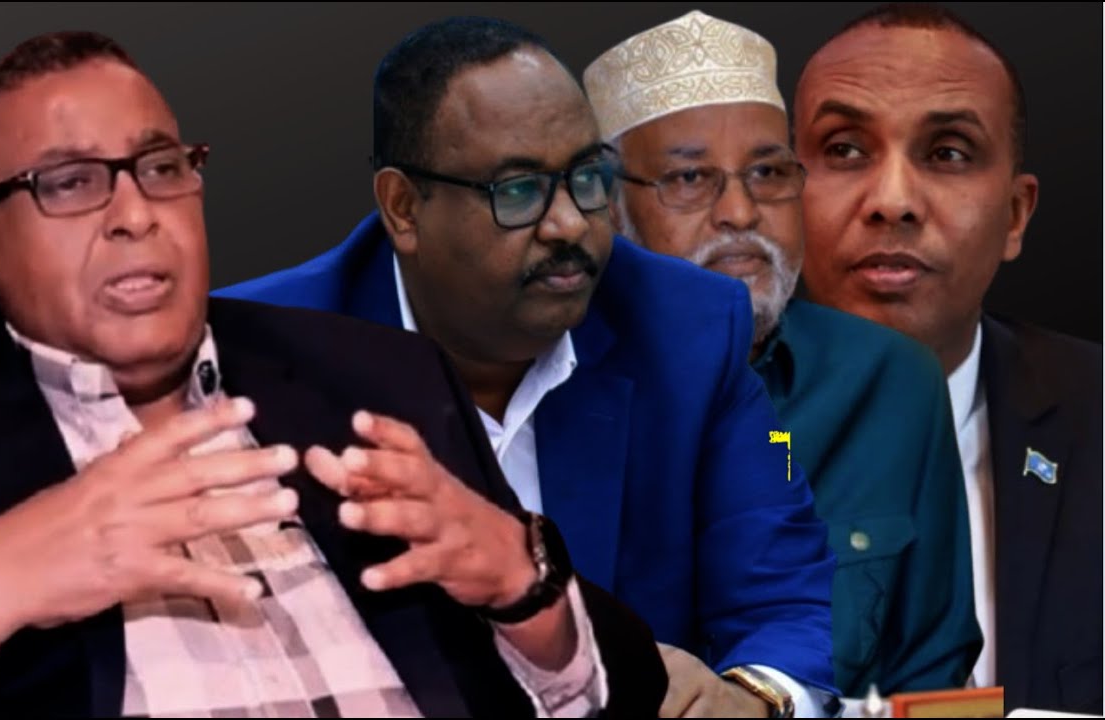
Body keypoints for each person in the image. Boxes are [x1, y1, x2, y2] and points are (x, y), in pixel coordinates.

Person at [0, 30, 669, 718]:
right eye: (70, 183)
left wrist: (524, 587)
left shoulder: (374, 376)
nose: (135, 214)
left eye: (162, 168)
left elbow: (622, 690)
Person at [217, 16, 837, 718]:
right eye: (518, 190)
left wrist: (754, 696)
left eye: (586, 177)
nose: (569, 223)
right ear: (404, 208)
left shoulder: (687, 328)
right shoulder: (261, 360)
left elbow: (783, 588)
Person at [583, 9, 981, 699]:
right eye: (689, 179)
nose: (740, 212)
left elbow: (933, 681)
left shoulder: (889, 383)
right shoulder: (550, 381)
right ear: (609, 208)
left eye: (767, 172)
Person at [793, 4, 1102, 713]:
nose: (892, 201)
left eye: (948, 153)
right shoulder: (694, 426)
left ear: (1016, 215)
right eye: (845, 149)